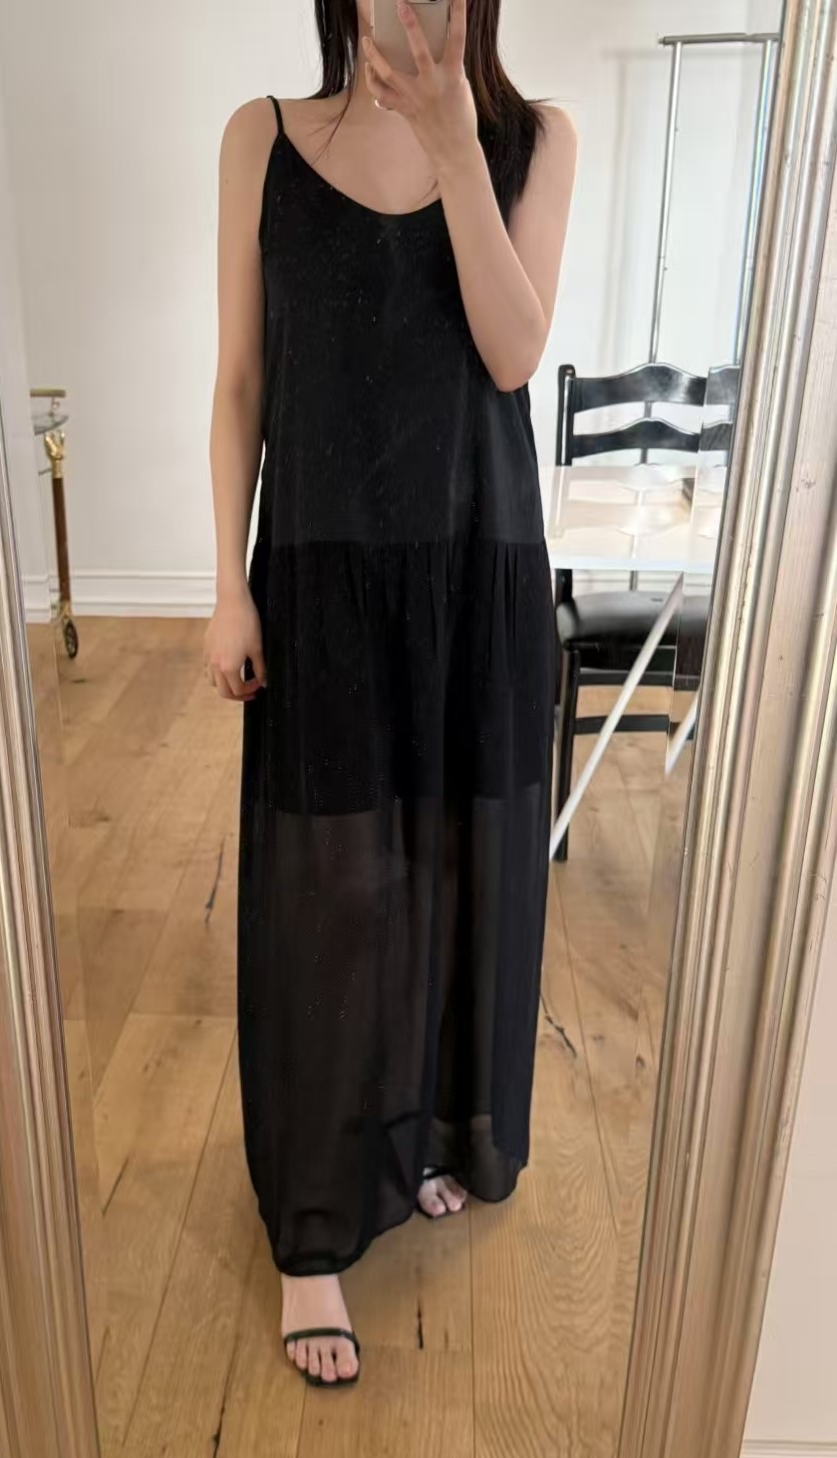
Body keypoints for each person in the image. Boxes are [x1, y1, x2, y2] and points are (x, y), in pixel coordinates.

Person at [204, 0, 576, 1388]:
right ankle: (312, 1226)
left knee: (454, 869)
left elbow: (512, 353)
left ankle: (420, 1129)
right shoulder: (262, 138)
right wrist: (226, 581)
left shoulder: (536, 141)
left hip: (476, 568)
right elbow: (242, 381)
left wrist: (454, 149)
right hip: (321, 575)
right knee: (337, 893)